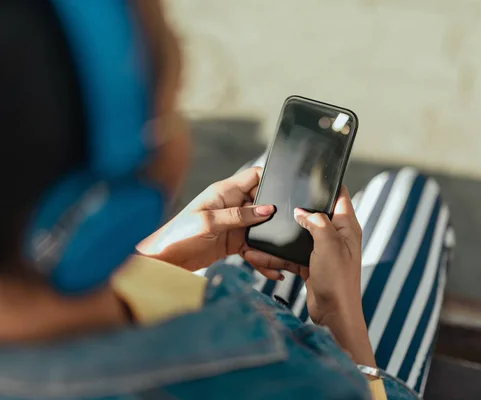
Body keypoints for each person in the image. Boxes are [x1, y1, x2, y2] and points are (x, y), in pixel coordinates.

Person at [0, 1, 453, 399]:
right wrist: (342, 322)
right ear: (132, 181)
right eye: (171, 111)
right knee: (409, 193)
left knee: (271, 171)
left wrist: (152, 257)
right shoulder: (295, 386)